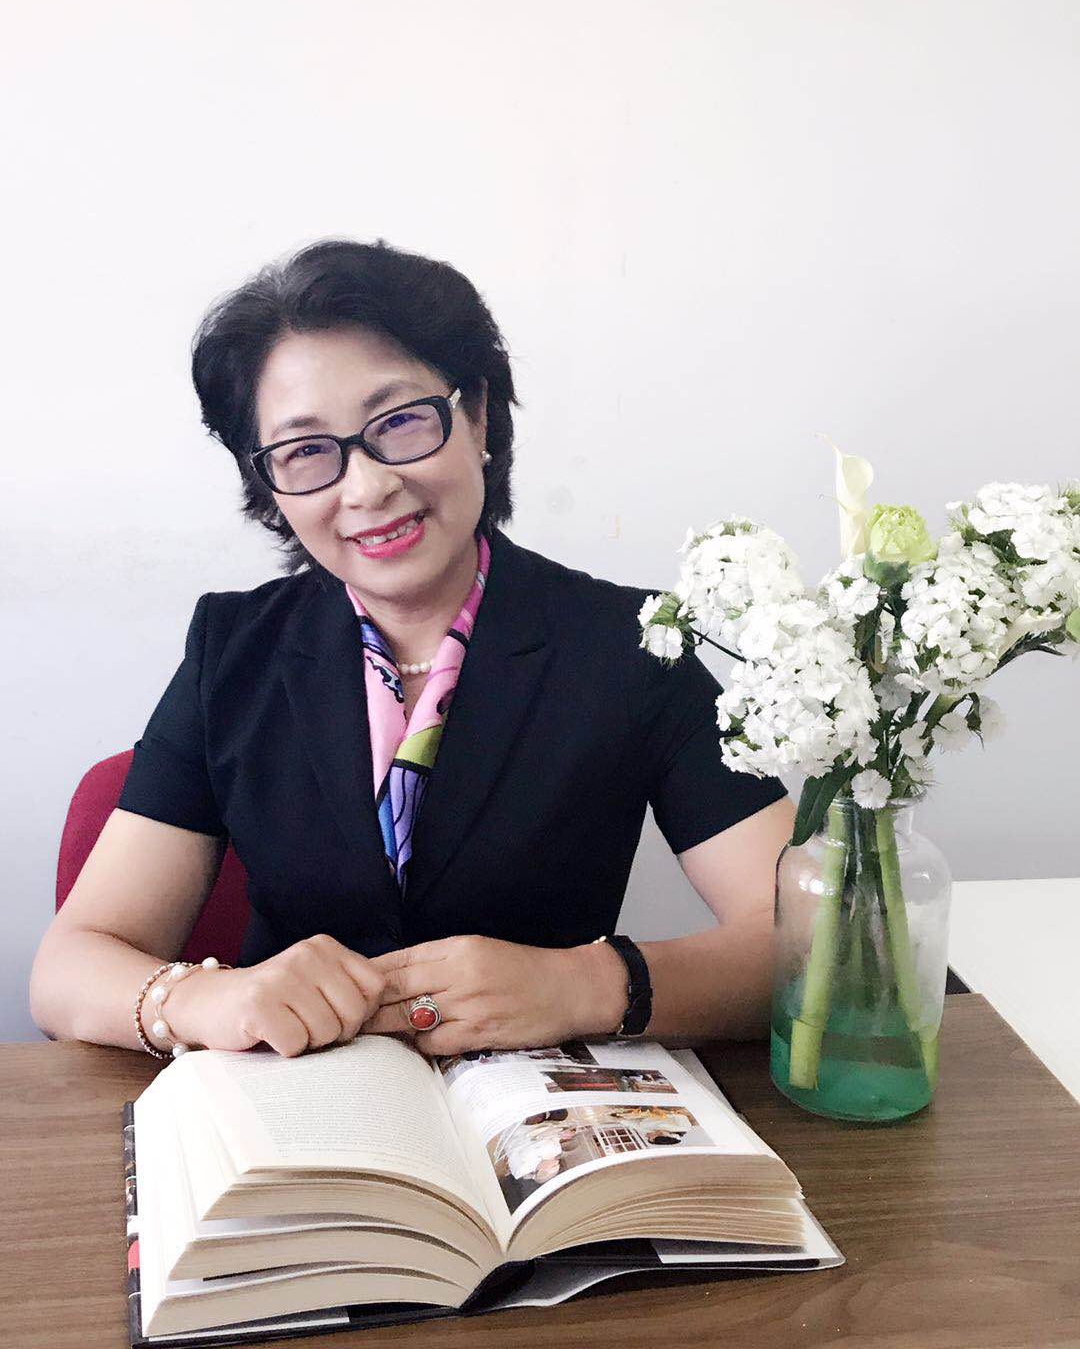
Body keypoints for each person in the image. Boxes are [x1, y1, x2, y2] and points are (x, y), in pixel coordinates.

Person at [29, 238, 795, 1063]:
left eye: (398, 423)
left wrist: (583, 984)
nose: (366, 487)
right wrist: (203, 998)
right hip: (296, 1104)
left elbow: (807, 943)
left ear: (478, 417)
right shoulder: (234, 652)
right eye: (306, 451)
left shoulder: (636, 643)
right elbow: (69, 968)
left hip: (540, 1114)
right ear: (269, 485)